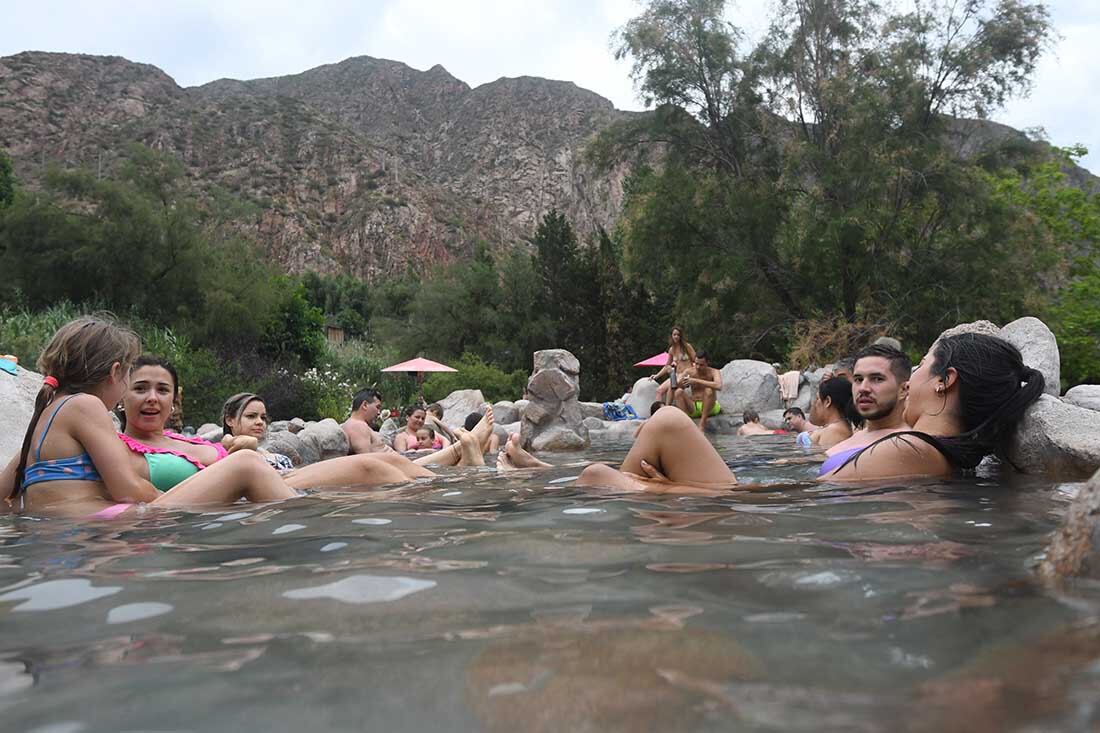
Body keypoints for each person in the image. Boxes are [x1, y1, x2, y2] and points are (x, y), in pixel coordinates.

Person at [1, 318, 298, 518]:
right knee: (246, 464)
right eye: (131, 375)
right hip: (103, 523)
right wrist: (172, 501)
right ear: (116, 372)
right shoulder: (85, 405)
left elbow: (3, 497)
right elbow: (128, 489)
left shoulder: (44, 416)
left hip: (59, 535)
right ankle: (302, 524)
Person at [120, 356, 442, 491]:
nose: (152, 398)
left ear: (174, 399)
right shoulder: (117, 447)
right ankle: (434, 510)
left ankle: (443, 491)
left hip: (278, 478)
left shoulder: (187, 441)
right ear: (122, 395)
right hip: (253, 491)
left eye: (162, 390)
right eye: (140, 388)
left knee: (386, 460)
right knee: (374, 469)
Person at [821, 333, 1044, 481]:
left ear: (944, 381)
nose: (908, 382)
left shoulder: (909, 448)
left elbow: (814, 494)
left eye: (922, 364)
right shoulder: (945, 456)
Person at [578, 403, 737, 495]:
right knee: (595, 475)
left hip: (719, 503)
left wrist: (662, 487)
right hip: (721, 503)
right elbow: (735, 495)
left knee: (595, 475)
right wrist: (663, 488)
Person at [818, 344, 911, 475]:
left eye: (877, 379)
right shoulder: (856, 436)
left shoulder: (907, 443)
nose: (863, 388)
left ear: (903, 390)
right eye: (858, 379)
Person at [220, 392, 294, 471]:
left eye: (263, 417)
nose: (260, 422)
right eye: (251, 416)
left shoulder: (280, 459)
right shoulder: (217, 457)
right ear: (229, 420)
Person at [672, 352, 722, 430]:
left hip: (710, 407)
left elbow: (719, 386)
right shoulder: (689, 372)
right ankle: (686, 425)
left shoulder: (714, 372)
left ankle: (702, 424)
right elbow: (676, 386)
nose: (698, 367)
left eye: (701, 365)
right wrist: (679, 380)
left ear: (707, 363)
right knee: (678, 392)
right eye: (696, 364)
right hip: (693, 406)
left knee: (708, 390)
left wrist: (695, 381)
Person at [808, 376, 857, 449]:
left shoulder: (832, 431)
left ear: (828, 401)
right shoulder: (843, 426)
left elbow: (824, 459)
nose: (815, 403)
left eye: (817, 398)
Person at [650, 326, 697, 402]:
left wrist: (696, 372)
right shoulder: (672, 349)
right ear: (671, 336)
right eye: (674, 334)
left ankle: (668, 408)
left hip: (687, 373)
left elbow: (696, 360)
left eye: (678, 335)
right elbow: (667, 366)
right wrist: (656, 376)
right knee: (659, 390)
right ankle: (658, 411)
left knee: (673, 386)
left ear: (681, 336)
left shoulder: (687, 346)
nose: (676, 336)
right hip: (677, 375)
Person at [342, 389, 388, 454]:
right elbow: (367, 460)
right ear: (365, 405)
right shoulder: (358, 426)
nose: (379, 412)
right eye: (377, 407)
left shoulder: (355, 425)